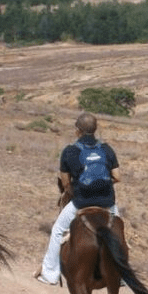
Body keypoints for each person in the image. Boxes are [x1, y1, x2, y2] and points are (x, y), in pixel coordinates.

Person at [34, 112, 120, 285]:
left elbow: (65, 183)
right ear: (95, 130)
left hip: (81, 201)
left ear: (77, 131)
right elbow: (118, 177)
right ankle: (121, 275)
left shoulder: (70, 151)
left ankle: (50, 273)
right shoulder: (106, 149)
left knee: (58, 230)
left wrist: (78, 189)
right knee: (119, 233)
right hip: (107, 202)